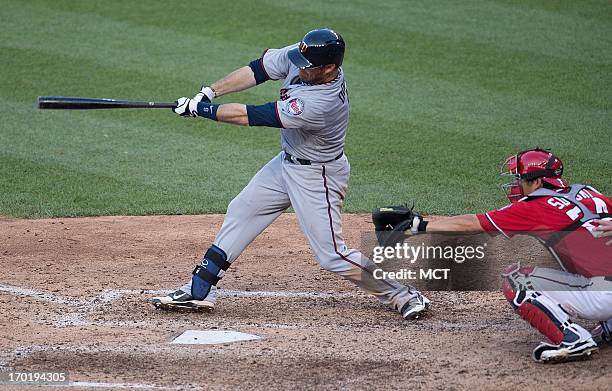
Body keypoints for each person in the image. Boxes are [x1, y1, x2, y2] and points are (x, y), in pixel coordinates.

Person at [150, 28, 430, 319]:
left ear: (330, 68)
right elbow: (257, 70)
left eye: (308, 67)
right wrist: (208, 93)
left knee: (332, 255)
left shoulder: (321, 103)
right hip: (287, 163)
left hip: (318, 176)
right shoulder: (307, 55)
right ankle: (200, 289)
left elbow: (252, 116)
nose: (300, 67)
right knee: (243, 210)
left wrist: (203, 110)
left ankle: (403, 294)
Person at [373, 148, 612, 362]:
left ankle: (572, 339)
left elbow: (473, 224)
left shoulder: (534, 207)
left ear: (537, 181)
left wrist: (418, 226)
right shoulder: (586, 192)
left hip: (604, 296)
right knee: (575, 253)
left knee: (516, 279)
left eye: (520, 179)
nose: (517, 185)